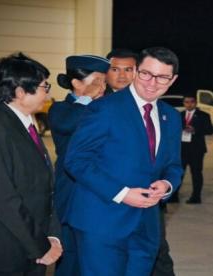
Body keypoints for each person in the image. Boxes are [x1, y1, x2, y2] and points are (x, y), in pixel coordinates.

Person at [64, 47, 183, 276]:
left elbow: (173, 165)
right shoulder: (104, 108)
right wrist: (122, 193)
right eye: (146, 73)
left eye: (162, 77)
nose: (152, 82)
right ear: (136, 71)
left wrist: (167, 185)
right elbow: (77, 160)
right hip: (101, 223)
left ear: (173, 79)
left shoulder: (171, 117)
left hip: (146, 226)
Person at [0, 52, 62, 276]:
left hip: (33, 246)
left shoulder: (27, 124)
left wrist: (51, 236)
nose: (46, 92)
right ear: (20, 92)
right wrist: (39, 246)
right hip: (5, 253)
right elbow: (2, 197)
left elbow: (43, 188)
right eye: (43, 86)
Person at [48, 55, 110, 276]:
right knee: (70, 254)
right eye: (97, 80)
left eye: (104, 81)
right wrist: (88, 99)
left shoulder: (106, 107)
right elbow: (69, 124)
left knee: (97, 257)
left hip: (101, 192)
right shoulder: (61, 110)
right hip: (71, 190)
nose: (103, 86)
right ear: (76, 82)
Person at [170, 95, 213, 204]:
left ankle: (196, 197)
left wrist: (195, 130)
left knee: (196, 173)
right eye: (186, 102)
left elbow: (210, 130)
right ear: (183, 103)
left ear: (196, 103)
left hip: (196, 149)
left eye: (191, 102)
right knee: (179, 173)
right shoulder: (179, 115)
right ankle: (174, 195)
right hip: (182, 149)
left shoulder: (203, 115)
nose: (189, 104)